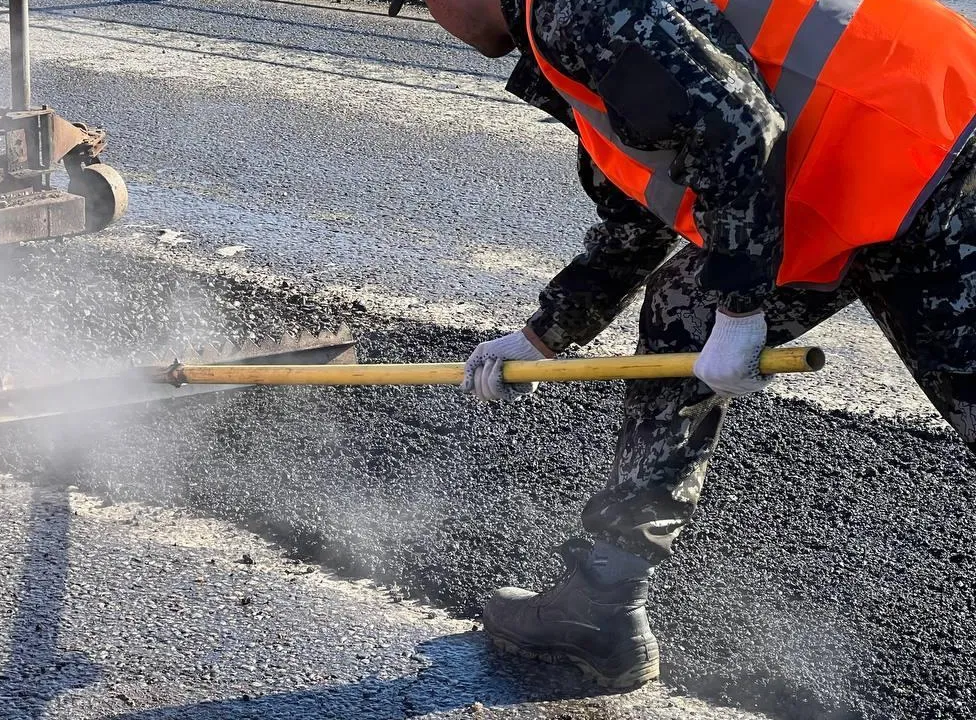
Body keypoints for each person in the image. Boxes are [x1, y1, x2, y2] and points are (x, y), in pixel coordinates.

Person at [413, 0, 976, 690]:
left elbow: (739, 127)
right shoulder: (555, 27)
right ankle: (602, 603)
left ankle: (603, 600)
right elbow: (643, 208)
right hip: (859, 165)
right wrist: (542, 335)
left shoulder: (573, 9)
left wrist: (740, 311)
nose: (434, 16)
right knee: (683, 311)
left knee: (703, 308)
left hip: (940, 151)